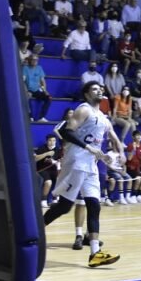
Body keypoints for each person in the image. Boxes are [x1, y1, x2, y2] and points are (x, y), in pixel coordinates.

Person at [44, 81, 120, 268]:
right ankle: (33, 229)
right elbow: (67, 132)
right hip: (76, 161)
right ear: (86, 94)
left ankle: (95, 253)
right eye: (95, 89)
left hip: (91, 165)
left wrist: (116, 156)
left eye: (101, 88)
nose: (99, 90)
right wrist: (88, 148)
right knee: (64, 206)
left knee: (94, 206)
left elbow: (113, 138)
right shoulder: (83, 109)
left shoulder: (102, 117)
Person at [22, 55, 51, 123]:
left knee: (48, 98)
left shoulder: (39, 68)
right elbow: (23, 80)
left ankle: (41, 117)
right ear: (30, 60)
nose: (35, 61)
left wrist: (45, 91)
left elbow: (42, 80)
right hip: (29, 89)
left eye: (36, 60)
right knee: (27, 96)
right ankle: (30, 116)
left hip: (37, 89)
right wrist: (25, 90)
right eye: (33, 60)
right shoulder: (25, 68)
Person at [34, 134, 60, 207]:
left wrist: (57, 162)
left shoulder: (58, 150)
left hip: (54, 170)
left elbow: (61, 161)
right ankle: (44, 200)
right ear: (47, 141)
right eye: (50, 140)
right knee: (48, 182)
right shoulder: (42, 148)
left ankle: (55, 199)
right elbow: (35, 158)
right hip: (42, 169)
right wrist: (46, 154)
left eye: (54, 140)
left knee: (61, 179)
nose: (52, 142)